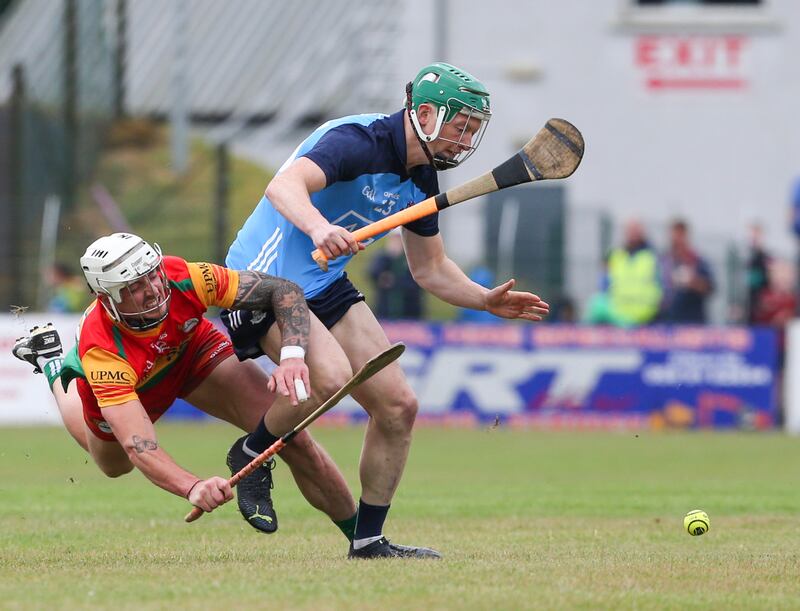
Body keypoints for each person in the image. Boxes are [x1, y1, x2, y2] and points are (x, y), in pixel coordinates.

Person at [224, 62, 550, 559]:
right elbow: (284, 186)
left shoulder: (422, 179)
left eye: (473, 130)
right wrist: (318, 228)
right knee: (328, 377)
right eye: (460, 125)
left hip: (324, 284)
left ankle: (369, 541)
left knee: (398, 407)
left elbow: (431, 268)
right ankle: (251, 452)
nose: (466, 140)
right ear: (423, 112)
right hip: (260, 279)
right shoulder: (356, 140)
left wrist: (483, 299)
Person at [12, 232, 358, 542]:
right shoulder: (102, 350)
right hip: (135, 384)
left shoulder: (183, 275)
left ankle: (364, 538)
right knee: (114, 466)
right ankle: (53, 364)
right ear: (108, 298)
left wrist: (293, 355)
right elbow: (140, 447)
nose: (152, 291)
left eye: (151, 276)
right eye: (134, 287)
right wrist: (193, 486)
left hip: (191, 352)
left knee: (293, 439)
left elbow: (283, 290)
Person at [602, 219, 662, 327]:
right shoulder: (615, 255)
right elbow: (605, 284)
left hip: (646, 318)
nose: (633, 234)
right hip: (617, 318)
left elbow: (662, 285)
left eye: (636, 230)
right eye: (631, 230)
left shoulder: (653, 256)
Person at [659, 219, 714, 323]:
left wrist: (692, 282)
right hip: (667, 321)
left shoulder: (697, 260)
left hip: (692, 321)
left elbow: (710, 287)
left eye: (680, 235)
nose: (676, 239)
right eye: (674, 235)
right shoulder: (664, 260)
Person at [367, 229, 423, 319]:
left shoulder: (413, 258)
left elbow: (417, 282)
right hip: (384, 311)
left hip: (410, 313)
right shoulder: (382, 257)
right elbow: (373, 274)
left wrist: (395, 281)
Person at [745, 222, 771, 324]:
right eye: (752, 235)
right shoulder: (743, 258)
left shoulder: (766, 259)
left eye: (757, 234)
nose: (754, 238)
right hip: (746, 306)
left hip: (761, 306)